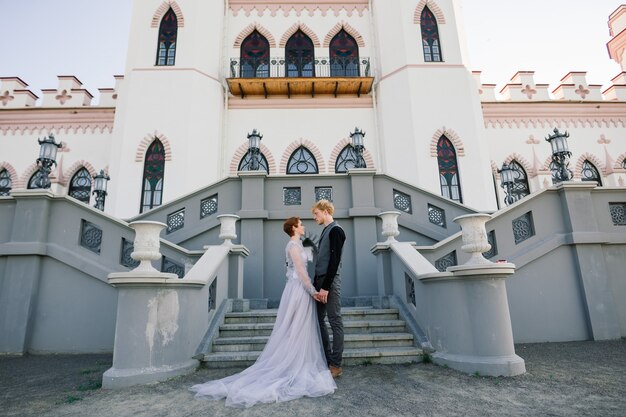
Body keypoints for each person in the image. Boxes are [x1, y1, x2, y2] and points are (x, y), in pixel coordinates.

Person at [190, 217, 336, 408]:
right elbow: (300, 272)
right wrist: (313, 291)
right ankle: (290, 365)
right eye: (301, 224)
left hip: (300, 289)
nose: (304, 226)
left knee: (299, 329)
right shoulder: (292, 246)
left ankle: (295, 363)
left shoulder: (298, 244)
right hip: (298, 291)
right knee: (294, 327)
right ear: (294, 228)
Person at [311, 199, 346, 378]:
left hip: (330, 283)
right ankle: (326, 359)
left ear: (325, 211)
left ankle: (336, 364)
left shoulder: (336, 230)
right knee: (318, 320)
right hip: (320, 282)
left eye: (316, 213)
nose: (314, 217)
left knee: (335, 320)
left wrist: (325, 287)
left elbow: (334, 261)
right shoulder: (325, 230)